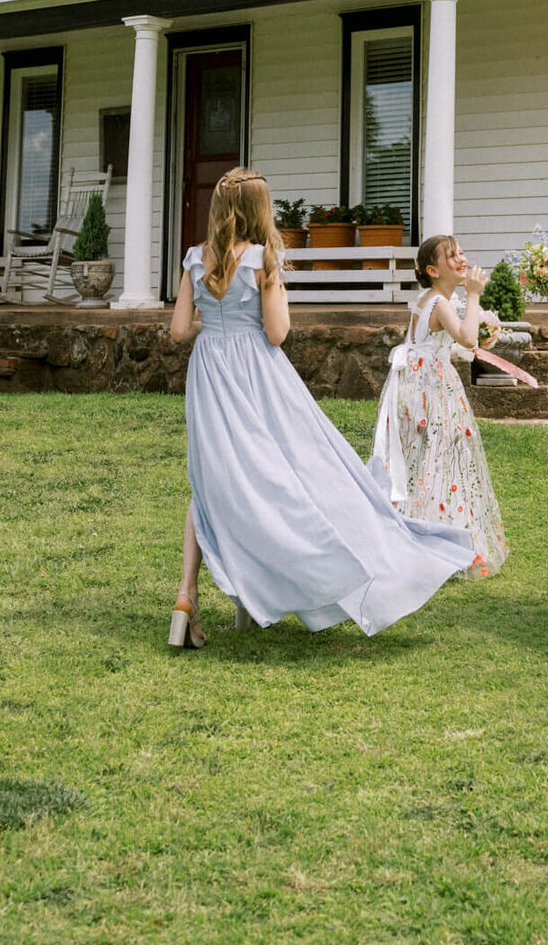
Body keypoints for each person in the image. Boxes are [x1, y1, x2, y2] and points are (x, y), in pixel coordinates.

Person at [167, 168, 472, 649]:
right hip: (258, 376)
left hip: (210, 372)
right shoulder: (263, 260)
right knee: (282, 470)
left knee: (214, 477)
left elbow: (180, 330)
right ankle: (281, 576)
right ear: (259, 211)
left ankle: (188, 595)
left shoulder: (194, 260)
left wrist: (216, 328)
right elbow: (276, 333)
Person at [370, 235, 508, 580]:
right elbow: (467, 338)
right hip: (433, 393)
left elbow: (430, 343)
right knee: (440, 465)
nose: (461, 259)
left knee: (422, 465)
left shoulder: (425, 300)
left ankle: (419, 540)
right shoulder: (442, 303)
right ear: (433, 270)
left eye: (461, 252)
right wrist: (474, 295)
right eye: (452, 256)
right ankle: (443, 546)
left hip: (414, 389)